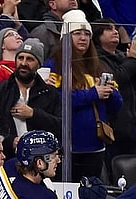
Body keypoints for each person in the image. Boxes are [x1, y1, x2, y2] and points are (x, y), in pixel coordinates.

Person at [49, 10, 122, 181]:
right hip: (67, 147)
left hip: (95, 146)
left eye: (87, 34)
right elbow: (55, 101)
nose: (83, 38)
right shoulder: (55, 65)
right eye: (77, 33)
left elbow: (117, 106)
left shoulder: (99, 66)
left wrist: (110, 93)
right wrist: (93, 93)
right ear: (66, 36)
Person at [0, 38, 61, 159]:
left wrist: (34, 114)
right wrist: (10, 141)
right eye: (20, 58)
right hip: (6, 158)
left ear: (39, 64)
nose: (23, 63)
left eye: (30, 59)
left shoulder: (50, 93)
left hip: (42, 159)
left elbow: (60, 127)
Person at [92, 18, 136, 181]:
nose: (115, 31)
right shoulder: (95, 58)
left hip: (131, 125)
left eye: (115, 28)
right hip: (113, 128)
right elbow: (115, 80)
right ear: (97, 35)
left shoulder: (121, 57)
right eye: (108, 29)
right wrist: (131, 60)